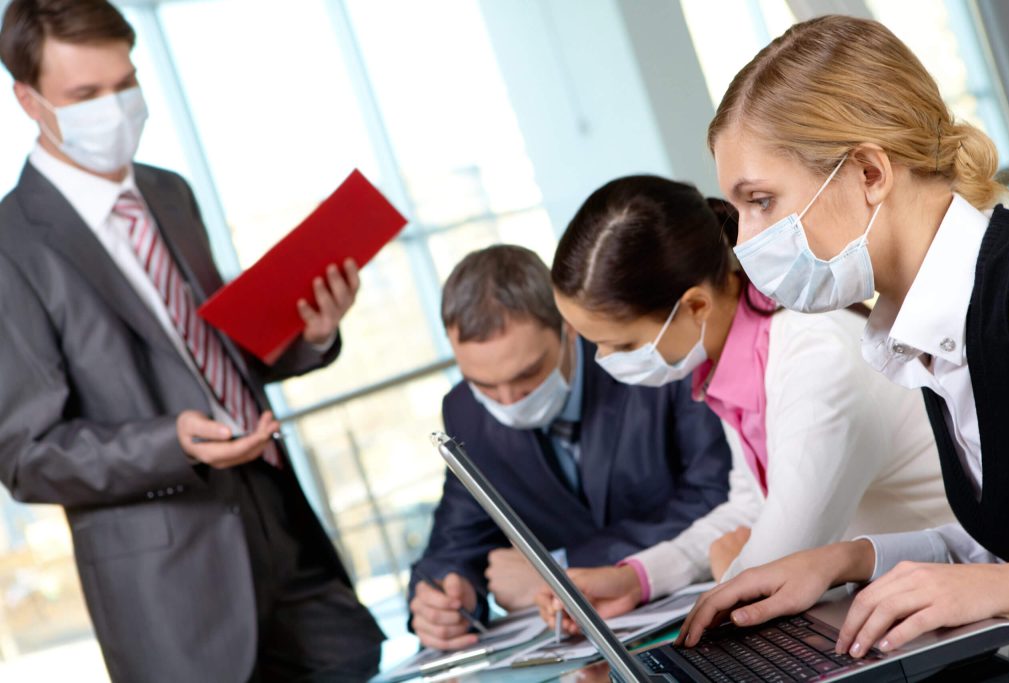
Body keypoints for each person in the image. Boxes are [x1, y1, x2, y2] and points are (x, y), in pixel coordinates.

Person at [0, 1, 383, 681]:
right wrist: (169, 441)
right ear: (27, 99)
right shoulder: (12, 246)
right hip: (172, 585)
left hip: (279, 524)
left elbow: (210, 354)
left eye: (124, 84)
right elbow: (27, 457)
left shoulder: (168, 193)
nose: (114, 109)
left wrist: (308, 335)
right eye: (85, 95)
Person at [678, 14, 1009, 660]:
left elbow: (1003, 577)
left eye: (762, 201)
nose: (745, 242)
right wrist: (843, 559)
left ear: (869, 173)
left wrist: (1003, 585)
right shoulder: (924, 328)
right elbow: (1006, 546)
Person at [535, 175, 955, 636]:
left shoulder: (815, 360)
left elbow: (766, 581)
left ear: (695, 306)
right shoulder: (745, 345)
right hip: (888, 602)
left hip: (953, 609)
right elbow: (749, 507)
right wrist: (636, 578)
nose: (606, 362)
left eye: (622, 343)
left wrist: (728, 567)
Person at [407, 245, 732, 651]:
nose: (507, 400)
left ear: (568, 325)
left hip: (705, 613)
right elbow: (455, 539)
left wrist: (556, 569)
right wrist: (444, 597)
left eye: (526, 374)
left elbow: (717, 494)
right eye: (483, 385)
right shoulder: (465, 412)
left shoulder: (649, 360)